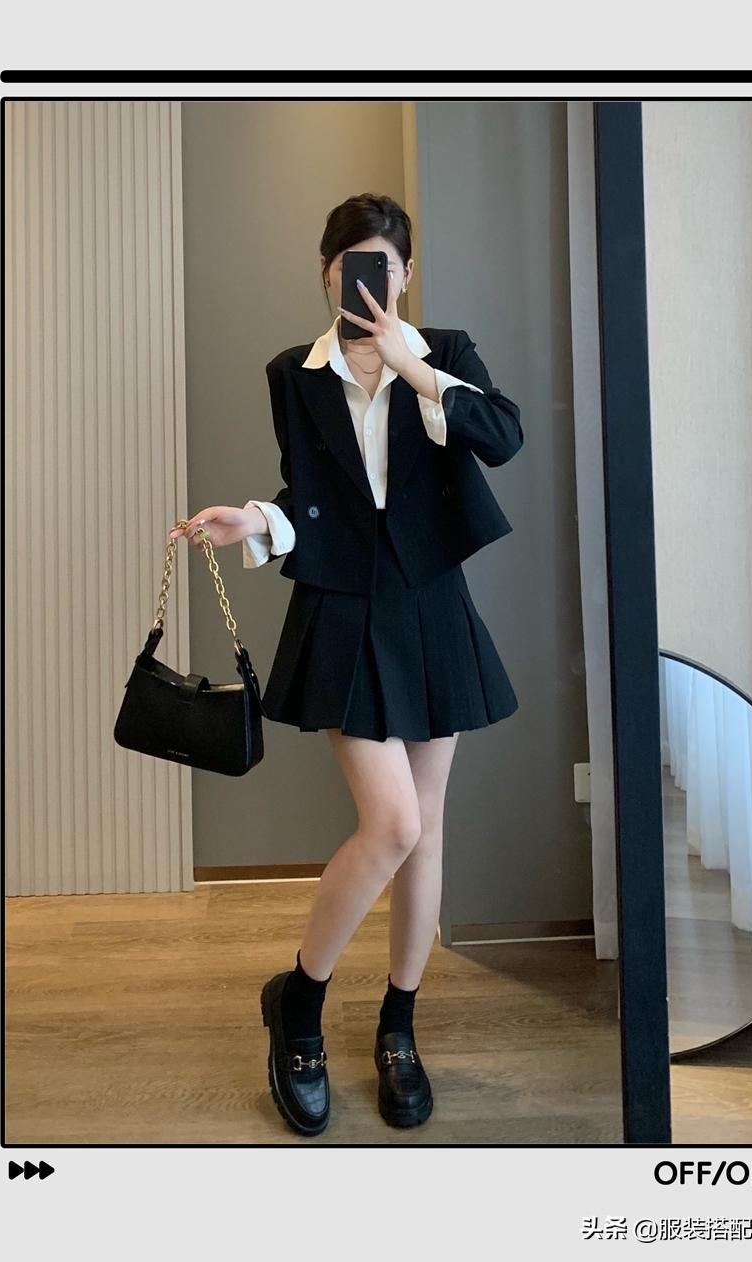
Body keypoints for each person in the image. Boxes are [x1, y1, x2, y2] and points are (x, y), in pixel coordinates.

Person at [171, 193, 523, 1137]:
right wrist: (255, 520)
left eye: (383, 265)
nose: (365, 279)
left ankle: (398, 1029)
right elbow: (309, 496)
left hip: (429, 607)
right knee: (393, 823)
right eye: (347, 264)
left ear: (405, 273)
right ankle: (300, 1003)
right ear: (325, 271)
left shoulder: (444, 350)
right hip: (341, 611)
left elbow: (503, 438)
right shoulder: (294, 373)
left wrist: (413, 367)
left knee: (426, 832)